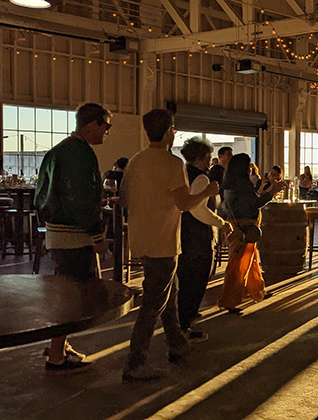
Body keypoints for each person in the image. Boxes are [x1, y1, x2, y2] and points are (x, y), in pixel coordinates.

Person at [121, 109, 219, 382]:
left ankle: (176, 343)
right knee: (153, 304)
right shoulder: (171, 164)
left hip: (141, 238)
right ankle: (135, 362)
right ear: (168, 132)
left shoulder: (136, 161)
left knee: (169, 294)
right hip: (162, 240)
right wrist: (208, 192)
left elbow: (124, 197)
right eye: (173, 130)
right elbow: (185, 204)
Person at [34, 103, 112, 373]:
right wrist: (97, 234)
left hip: (57, 234)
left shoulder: (57, 151)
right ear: (91, 124)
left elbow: (40, 193)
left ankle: (59, 346)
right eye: (106, 126)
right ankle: (56, 356)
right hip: (74, 237)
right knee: (72, 298)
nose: (107, 132)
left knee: (64, 292)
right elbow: (81, 199)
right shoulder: (80, 154)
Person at [177, 137, 233, 341]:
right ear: (200, 159)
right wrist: (221, 223)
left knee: (185, 279)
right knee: (197, 279)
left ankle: (182, 320)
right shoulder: (201, 179)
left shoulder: (183, 173)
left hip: (183, 234)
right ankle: (185, 324)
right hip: (198, 235)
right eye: (209, 157)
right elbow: (197, 210)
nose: (211, 161)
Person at [218, 153, 285, 313]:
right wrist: (272, 192)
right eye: (248, 165)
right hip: (244, 228)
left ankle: (257, 290)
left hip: (238, 228)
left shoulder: (230, 184)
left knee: (251, 260)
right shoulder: (241, 186)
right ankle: (229, 300)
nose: (250, 168)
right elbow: (254, 204)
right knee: (238, 265)